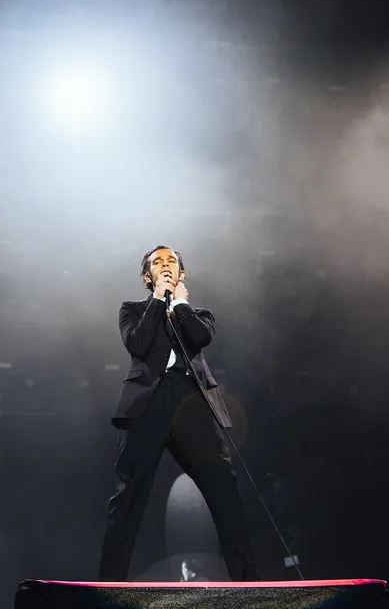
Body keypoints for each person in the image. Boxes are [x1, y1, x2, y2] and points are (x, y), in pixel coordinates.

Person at [98, 246, 258, 582]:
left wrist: (181, 305)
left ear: (182, 273)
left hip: (191, 406)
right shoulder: (132, 310)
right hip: (147, 405)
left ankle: (248, 583)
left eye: (172, 261)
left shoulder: (198, 314)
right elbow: (137, 344)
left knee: (225, 491)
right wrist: (158, 300)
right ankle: (109, 584)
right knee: (129, 495)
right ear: (148, 276)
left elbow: (201, 337)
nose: (166, 265)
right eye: (157, 262)